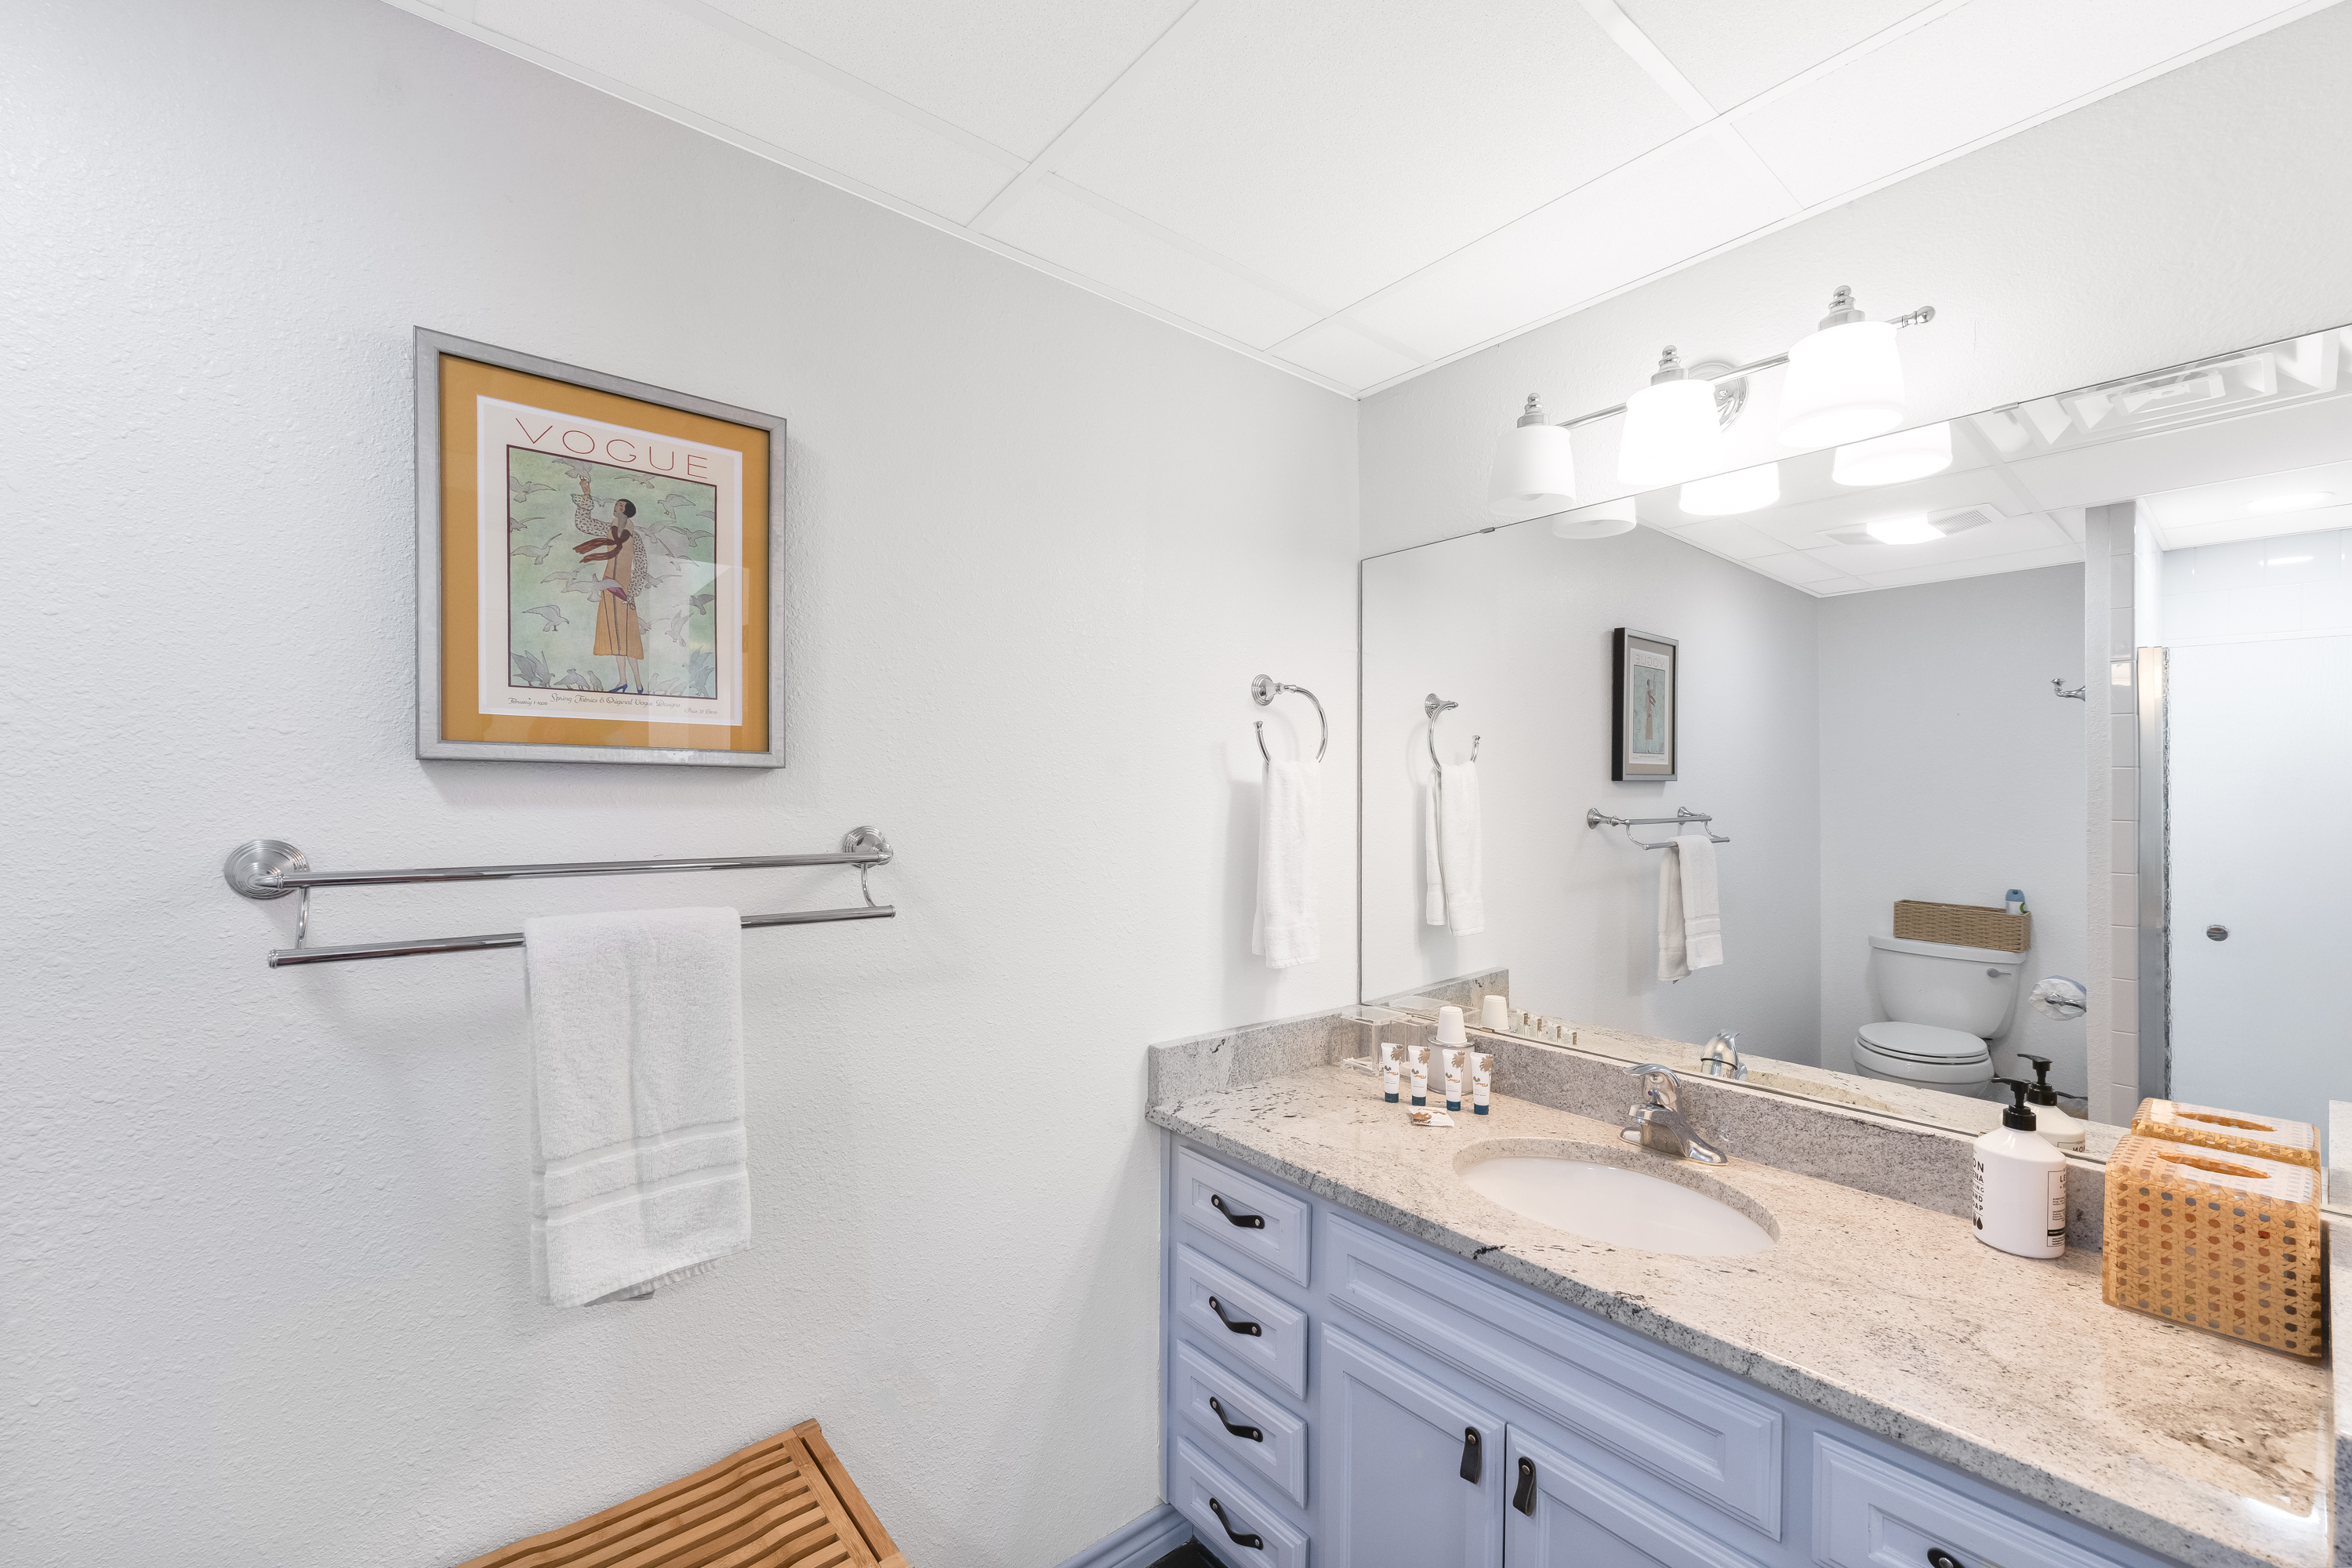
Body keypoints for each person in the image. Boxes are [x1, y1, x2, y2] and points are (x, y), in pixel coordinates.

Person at [571, 474, 646, 692]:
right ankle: (623, 681)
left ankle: (639, 683)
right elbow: (584, 523)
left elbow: (641, 566)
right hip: (607, 585)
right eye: (616, 505)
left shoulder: (636, 538)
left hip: (625, 589)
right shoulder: (607, 529)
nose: (617, 508)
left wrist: (632, 592)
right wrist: (587, 496)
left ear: (628, 511)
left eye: (621, 506)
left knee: (629, 634)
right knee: (614, 633)